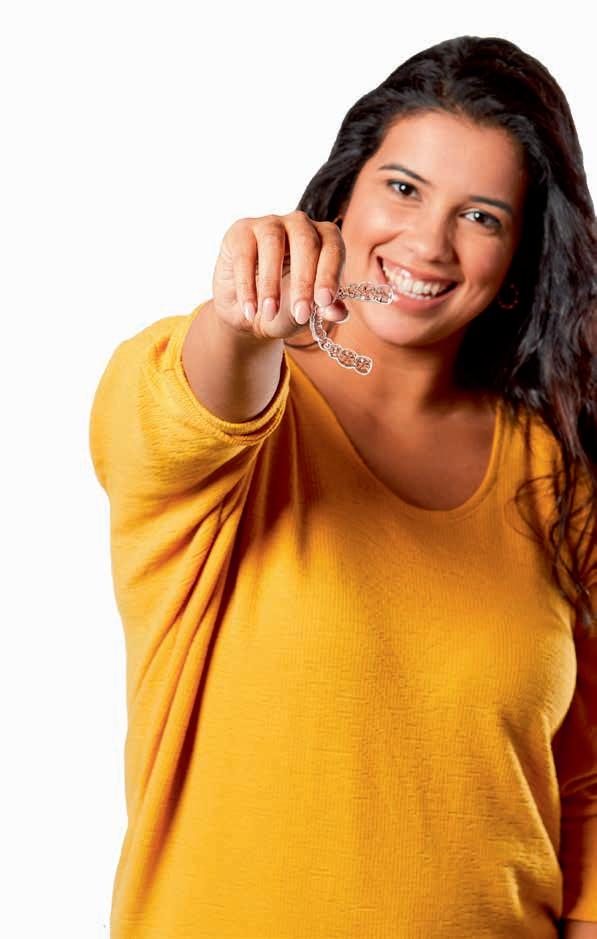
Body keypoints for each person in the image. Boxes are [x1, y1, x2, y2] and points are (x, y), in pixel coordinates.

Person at [89, 35, 597, 939]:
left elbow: (583, 783)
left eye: (480, 216)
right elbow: (187, 416)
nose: (428, 243)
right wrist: (240, 322)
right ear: (341, 199)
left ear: (518, 262)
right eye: (402, 188)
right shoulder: (225, 408)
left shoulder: (553, 470)